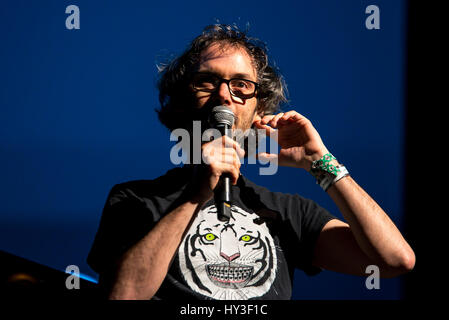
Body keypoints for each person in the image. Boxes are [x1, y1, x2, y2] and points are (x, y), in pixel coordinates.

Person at [87, 24, 415, 300]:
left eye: (241, 84)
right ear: (183, 104)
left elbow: (394, 260)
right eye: (206, 81)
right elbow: (122, 295)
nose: (224, 95)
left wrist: (320, 162)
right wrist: (195, 194)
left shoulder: (290, 212)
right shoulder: (134, 199)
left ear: (259, 110)